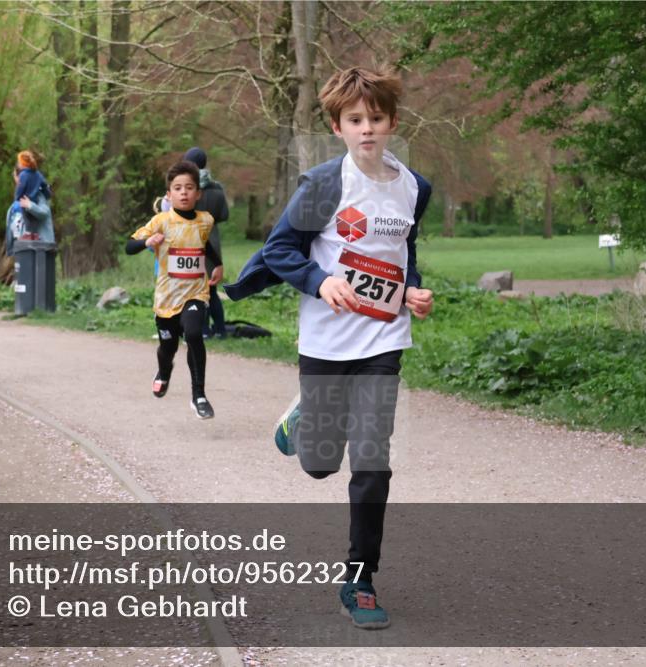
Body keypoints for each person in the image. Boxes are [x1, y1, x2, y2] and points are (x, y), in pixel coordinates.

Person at [224, 66, 434, 629]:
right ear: (338, 126)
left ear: (392, 121)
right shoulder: (325, 184)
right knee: (320, 466)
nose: (367, 129)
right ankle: (305, 418)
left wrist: (410, 288)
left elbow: (402, 251)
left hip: (383, 338)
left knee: (372, 460)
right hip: (325, 339)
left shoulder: (414, 188)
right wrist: (321, 281)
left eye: (376, 118)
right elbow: (279, 251)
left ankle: (359, 579)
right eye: (354, 120)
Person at [125, 160, 223, 419]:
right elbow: (129, 246)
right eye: (177, 188)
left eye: (189, 187)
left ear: (198, 193)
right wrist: (147, 241)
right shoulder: (161, 221)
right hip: (167, 298)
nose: (183, 192)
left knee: (193, 333)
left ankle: (199, 395)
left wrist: (217, 265)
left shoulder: (205, 220)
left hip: (195, 293)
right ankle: (164, 371)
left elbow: (204, 246)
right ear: (169, 194)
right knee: (168, 347)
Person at [183, 147, 230, 337]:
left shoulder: (187, 188)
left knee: (195, 290)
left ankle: (202, 330)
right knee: (211, 289)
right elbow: (224, 215)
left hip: (193, 241)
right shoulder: (217, 188)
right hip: (213, 240)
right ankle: (220, 330)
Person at [5, 165, 54, 255]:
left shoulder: (38, 196)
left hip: (42, 249)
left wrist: (30, 205)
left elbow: (44, 212)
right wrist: (11, 249)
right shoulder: (18, 201)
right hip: (24, 250)